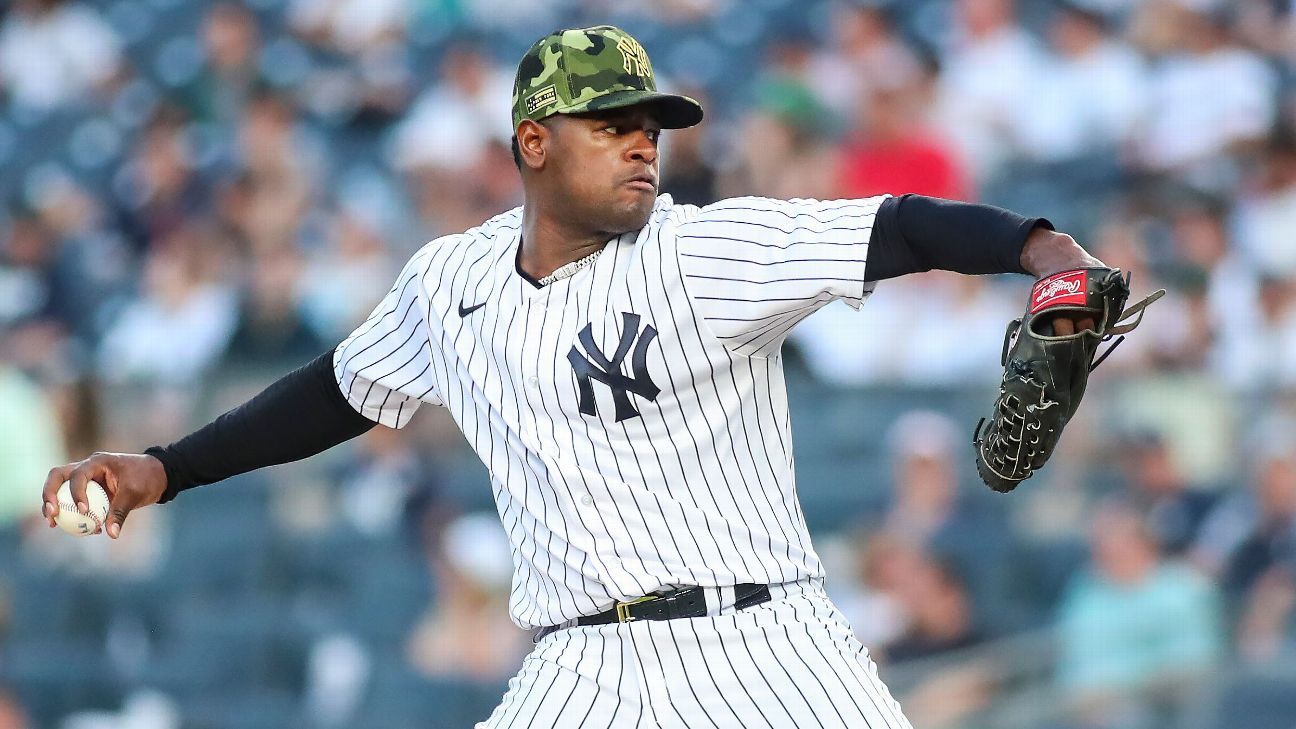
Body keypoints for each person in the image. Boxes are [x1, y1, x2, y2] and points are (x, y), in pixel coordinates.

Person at [41, 25, 1113, 728]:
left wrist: (1046, 253)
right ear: (536, 143)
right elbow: (334, 393)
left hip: (763, 644)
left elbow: (900, 228)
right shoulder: (450, 281)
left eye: (653, 129)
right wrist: (164, 469)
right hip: (579, 666)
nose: (645, 148)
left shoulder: (701, 251)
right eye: (614, 128)